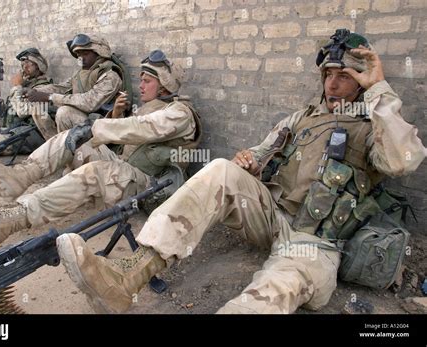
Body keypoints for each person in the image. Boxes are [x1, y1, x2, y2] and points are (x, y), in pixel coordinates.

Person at [53, 30, 425, 314]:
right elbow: (258, 153)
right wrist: (247, 162)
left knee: (272, 290)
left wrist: (379, 88)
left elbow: (402, 159)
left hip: (317, 243)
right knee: (219, 170)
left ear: (359, 82)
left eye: (343, 75)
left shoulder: (374, 121)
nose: (331, 83)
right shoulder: (303, 118)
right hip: (274, 216)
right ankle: (129, 276)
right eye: (327, 73)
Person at [0, 50, 202, 250]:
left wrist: (97, 126)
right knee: (70, 140)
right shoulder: (152, 106)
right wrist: (97, 125)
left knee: (95, 171)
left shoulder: (180, 113)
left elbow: (144, 128)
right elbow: (127, 138)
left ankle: (8, 221)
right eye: (141, 79)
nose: (141, 85)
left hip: (151, 189)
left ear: (165, 85)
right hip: (129, 171)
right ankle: (19, 176)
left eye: (147, 81)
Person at [24, 34, 123, 140]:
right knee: (39, 108)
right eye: (79, 54)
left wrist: (50, 97)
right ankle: (56, 145)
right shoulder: (82, 74)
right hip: (86, 121)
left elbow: (90, 102)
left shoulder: (111, 75)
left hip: (103, 125)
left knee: (64, 112)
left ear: (99, 52)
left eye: (85, 53)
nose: (81, 58)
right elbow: (62, 87)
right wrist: (35, 91)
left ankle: (68, 150)